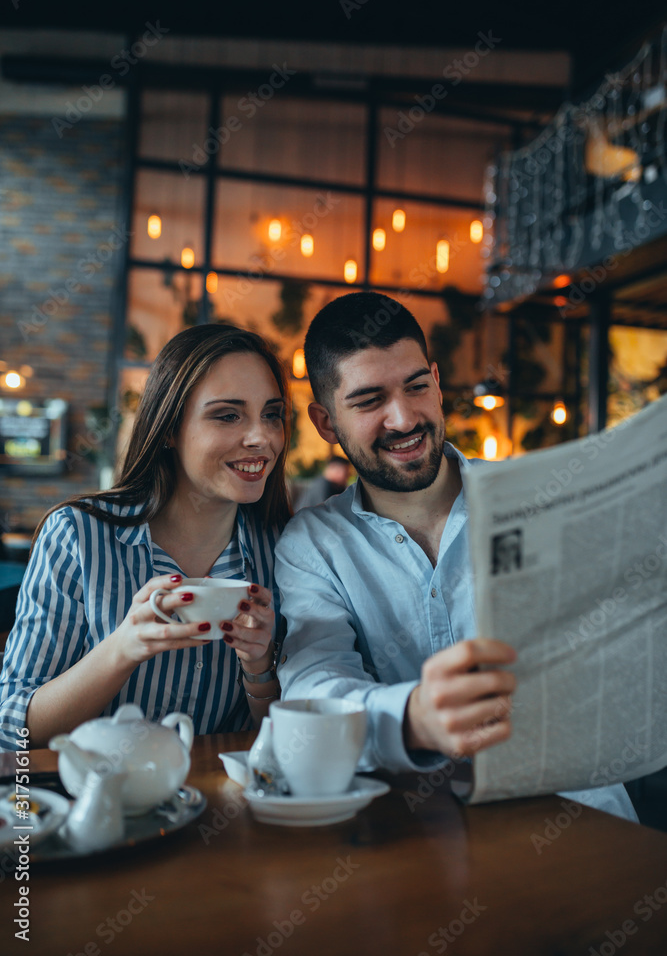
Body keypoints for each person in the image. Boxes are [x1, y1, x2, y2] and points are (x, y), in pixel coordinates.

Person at [275, 292, 636, 820]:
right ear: (326, 423)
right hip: (417, 831)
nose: (403, 419)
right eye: (370, 400)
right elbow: (314, 684)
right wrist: (413, 718)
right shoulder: (314, 545)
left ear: (438, 384)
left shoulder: (539, 497)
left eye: (417, 387)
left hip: (580, 811)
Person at [0, 324, 291, 752]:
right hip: (94, 802)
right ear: (169, 429)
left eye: (271, 414)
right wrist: (124, 647)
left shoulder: (284, 549)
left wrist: (260, 667)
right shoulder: (78, 536)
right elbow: (14, 728)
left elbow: (291, 742)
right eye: (227, 415)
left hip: (216, 806)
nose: (261, 438)